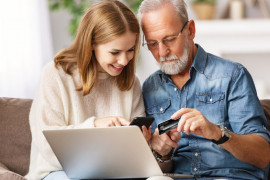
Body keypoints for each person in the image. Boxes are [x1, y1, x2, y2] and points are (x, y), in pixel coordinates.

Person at [138, 0, 270, 179]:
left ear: (190, 30)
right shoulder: (149, 88)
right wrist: (162, 153)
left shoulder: (232, 75)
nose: (161, 52)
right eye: (153, 44)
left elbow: (263, 156)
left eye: (169, 39)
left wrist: (216, 132)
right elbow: (160, 167)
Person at [25, 0, 151, 179]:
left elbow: (133, 156)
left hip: (115, 171)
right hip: (59, 172)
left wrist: (141, 144)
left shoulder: (131, 82)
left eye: (130, 50)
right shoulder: (55, 75)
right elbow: (47, 145)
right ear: (92, 43)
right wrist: (95, 126)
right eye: (115, 52)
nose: (124, 61)